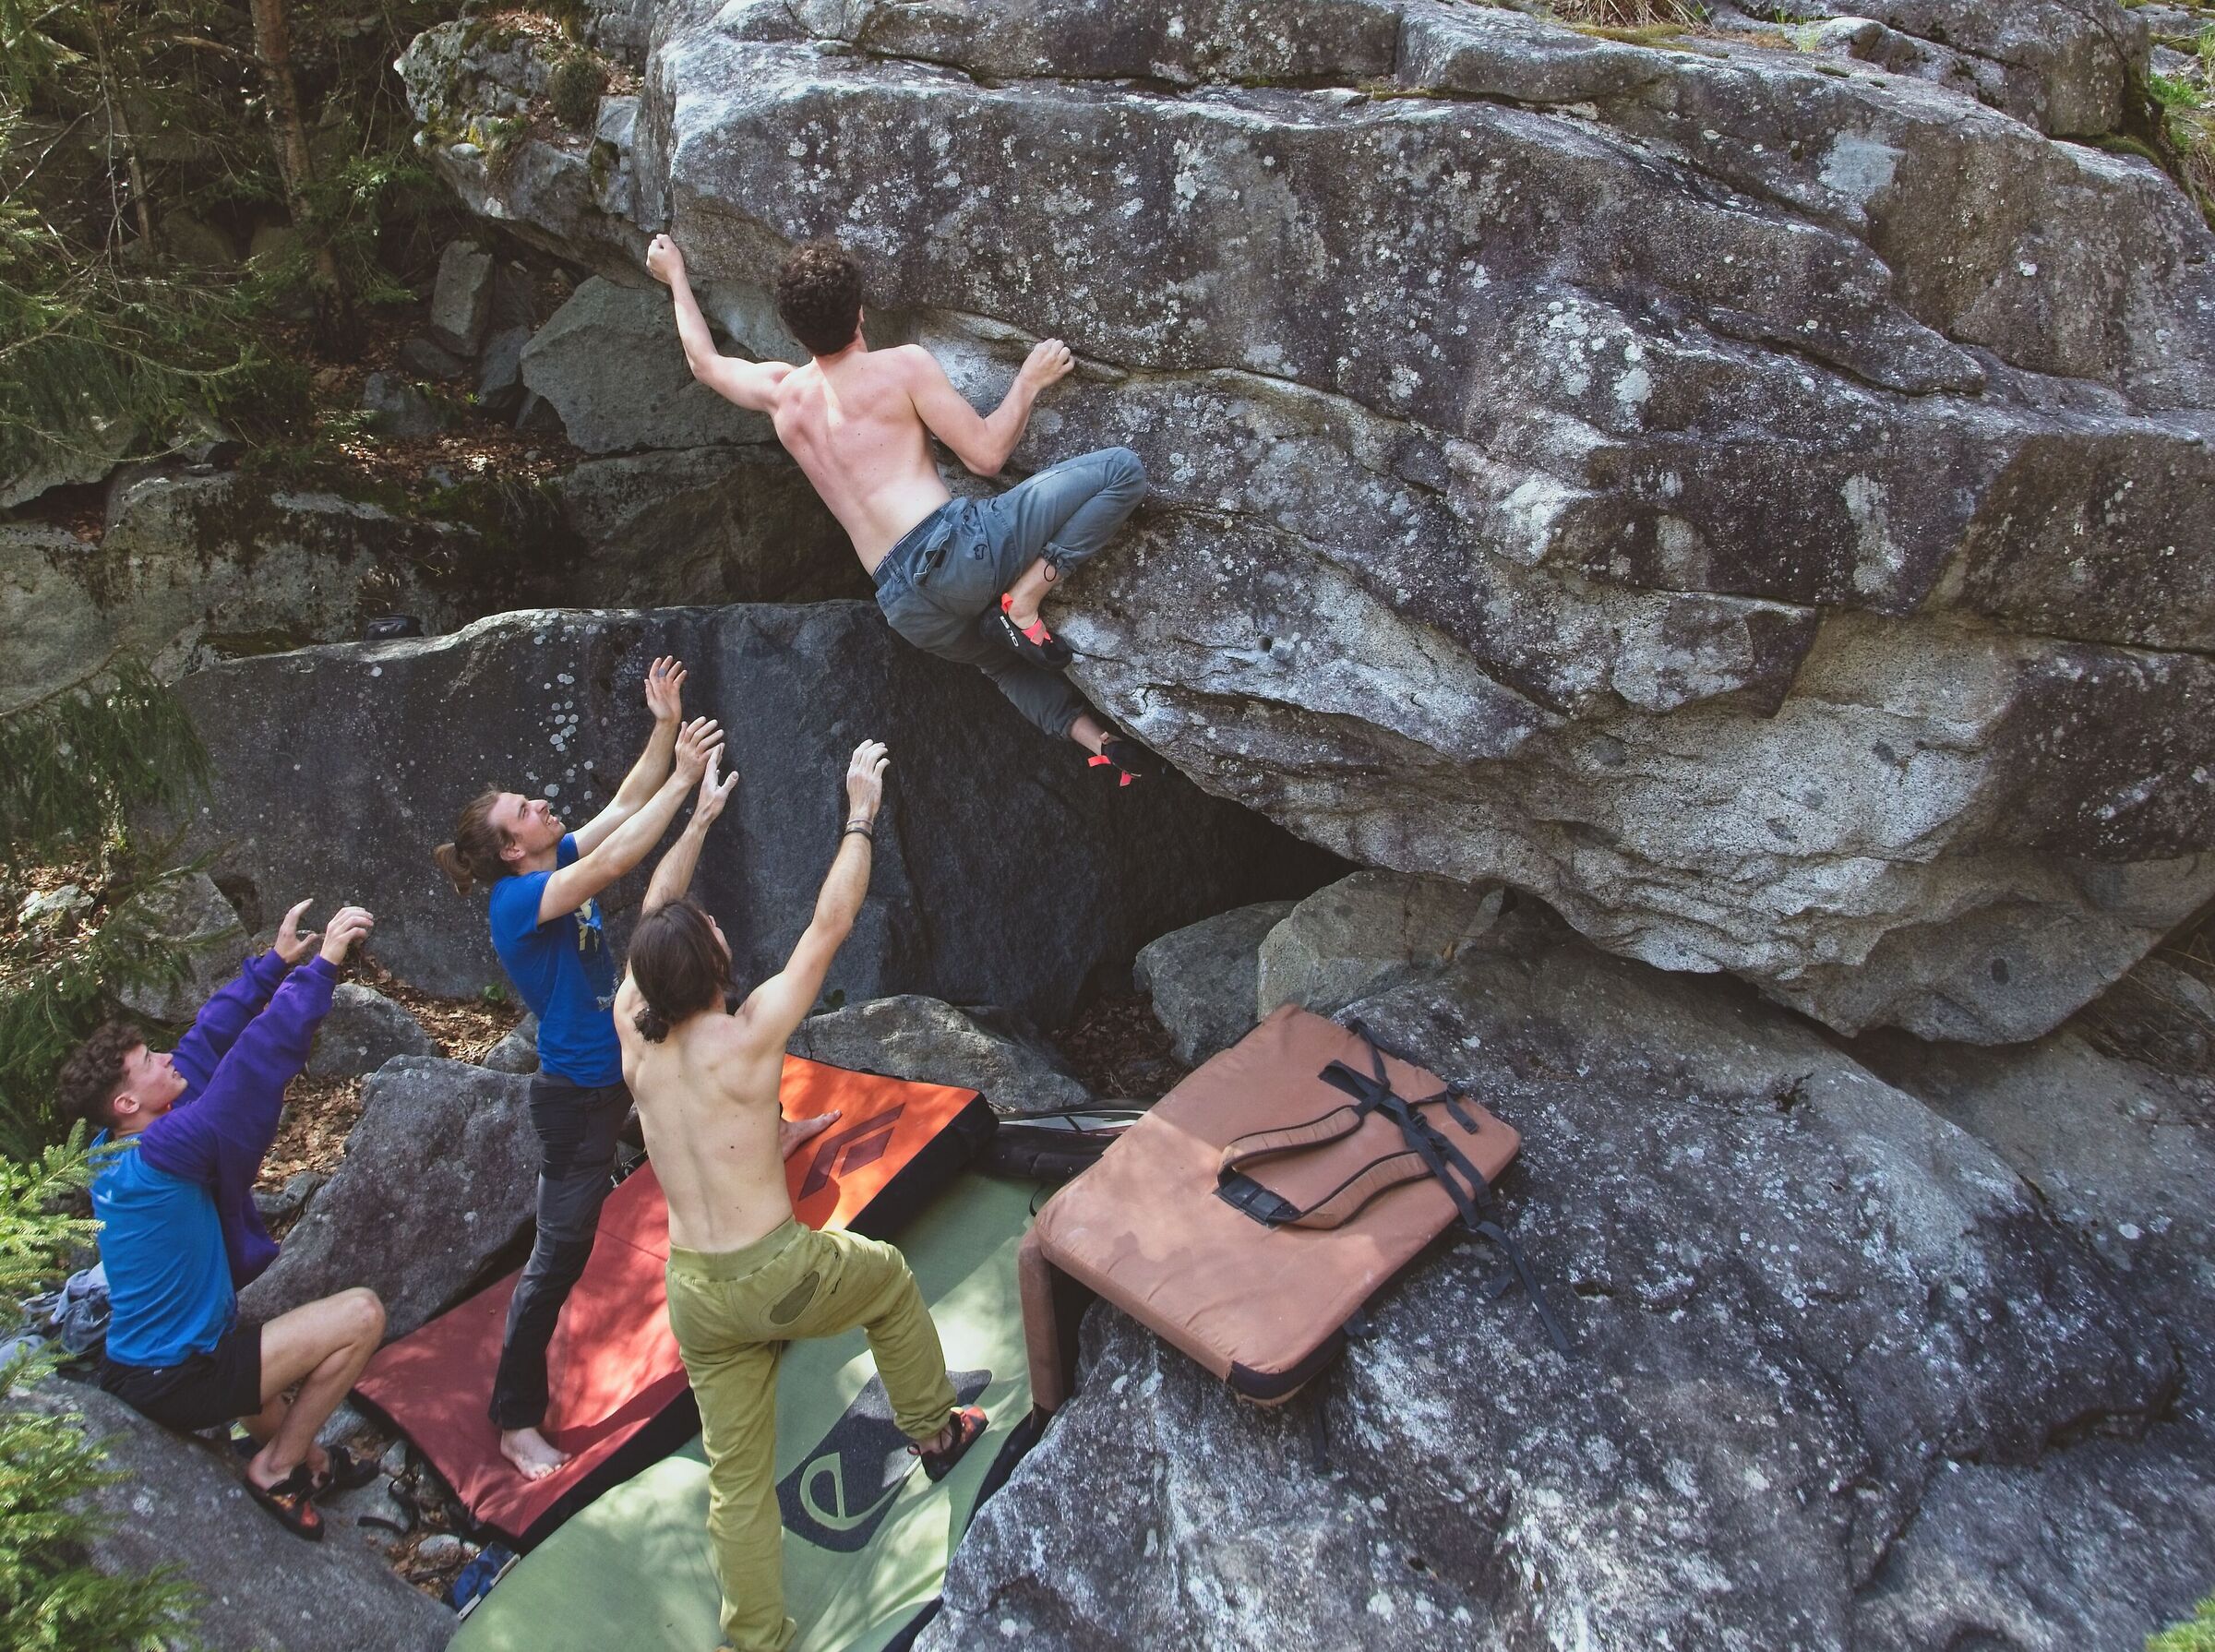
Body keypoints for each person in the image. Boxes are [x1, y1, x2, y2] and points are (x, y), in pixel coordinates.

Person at [614, 738, 988, 1652]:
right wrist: (859, 812)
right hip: (774, 1271)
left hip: (692, 1288)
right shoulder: (745, 1036)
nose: (715, 927)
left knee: (738, 1478)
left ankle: (758, 1639)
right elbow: (831, 921)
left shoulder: (634, 1034)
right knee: (887, 1279)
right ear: (712, 962)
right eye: (710, 930)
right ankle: (935, 1433)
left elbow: (653, 911)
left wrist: (700, 818)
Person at [646, 233, 1152, 786]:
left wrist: (675, 276)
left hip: (904, 606)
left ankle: (1100, 742)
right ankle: (1026, 598)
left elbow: (704, 362)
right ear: (860, 312)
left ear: (792, 329)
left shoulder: (780, 395)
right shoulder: (902, 366)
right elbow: (986, 456)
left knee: (1000, 663)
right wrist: (1028, 382)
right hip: (956, 551)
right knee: (1122, 470)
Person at [431, 655, 725, 1480]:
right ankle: (514, 1420)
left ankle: (773, 1134)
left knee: (706, 1063)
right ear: (510, 848)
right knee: (559, 1256)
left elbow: (623, 807)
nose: (537, 803)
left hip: (626, 1055)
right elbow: (613, 863)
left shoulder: (547, 855)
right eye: (522, 810)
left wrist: (665, 728)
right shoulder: (518, 901)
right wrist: (686, 783)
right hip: (579, 1099)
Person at [57, 899, 387, 1541]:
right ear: (126, 1101)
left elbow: (203, 1045)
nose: (166, 1059)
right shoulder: (164, 1152)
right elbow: (251, 1066)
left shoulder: (111, 1147)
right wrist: (321, 967)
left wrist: (271, 966)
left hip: (148, 1363)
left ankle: (314, 1462)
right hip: (178, 1376)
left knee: (263, 1383)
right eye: (149, 1063)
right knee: (362, 1315)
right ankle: (276, 1469)